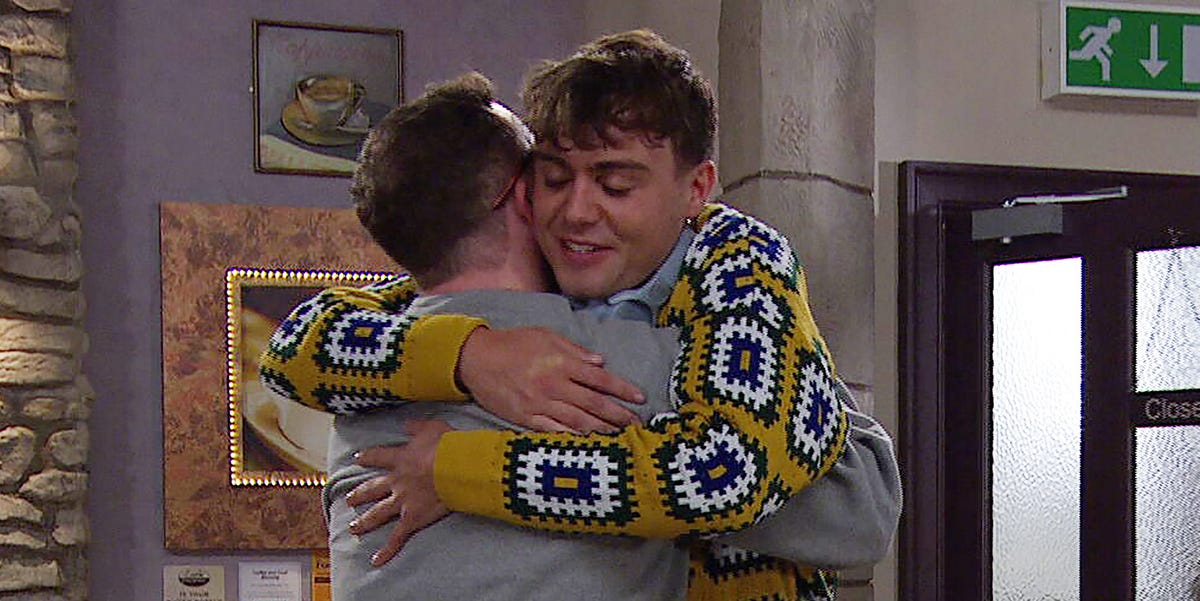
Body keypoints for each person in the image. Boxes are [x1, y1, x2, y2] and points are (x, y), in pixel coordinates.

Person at [262, 30, 900, 601]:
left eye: (615, 185)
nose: (576, 211)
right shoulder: (535, 274)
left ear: (696, 189)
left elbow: (833, 496)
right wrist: (469, 355)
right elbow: (296, 345)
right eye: (554, 179)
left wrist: (458, 469)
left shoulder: (736, 265)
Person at [312, 72, 691, 600]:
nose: (577, 206)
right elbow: (811, 503)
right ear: (523, 197)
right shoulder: (633, 363)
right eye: (551, 176)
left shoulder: (352, 389)